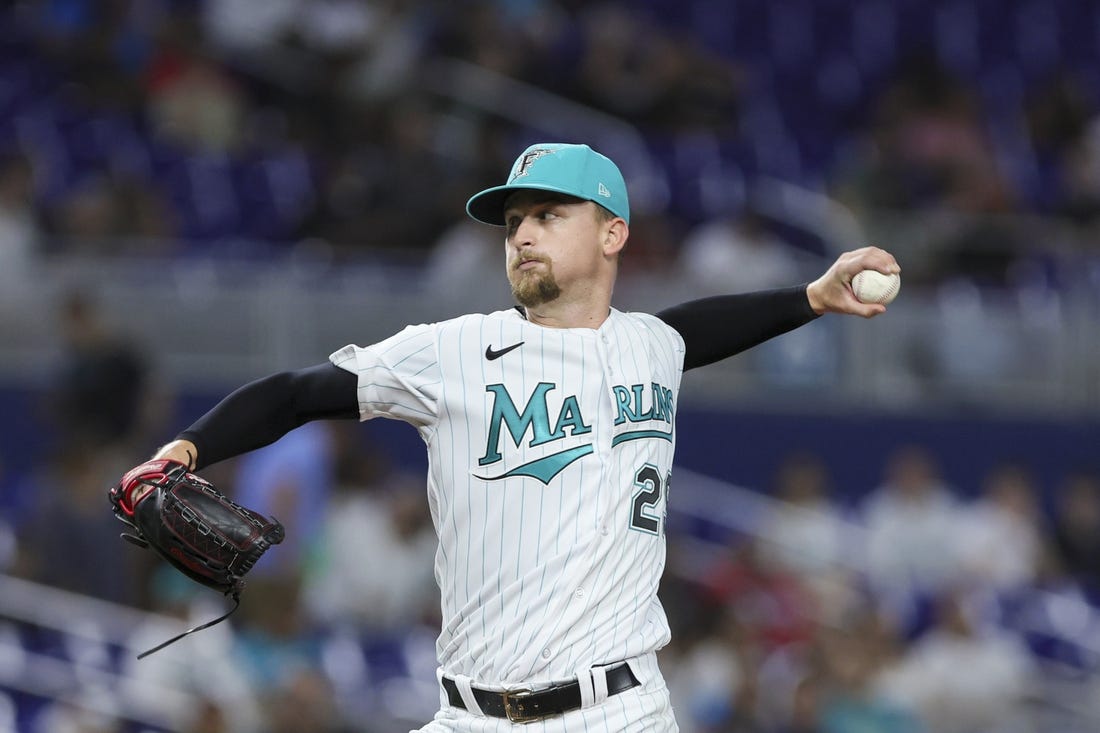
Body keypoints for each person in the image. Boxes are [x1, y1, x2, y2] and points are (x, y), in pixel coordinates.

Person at [117, 142, 899, 730]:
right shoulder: (452, 351)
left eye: (549, 215)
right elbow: (296, 392)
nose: (522, 233)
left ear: (612, 233)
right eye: (515, 220)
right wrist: (183, 448)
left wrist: (810, 297)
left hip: (618, 711)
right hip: (469, 713)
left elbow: (704, 327)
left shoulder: (650, 346)